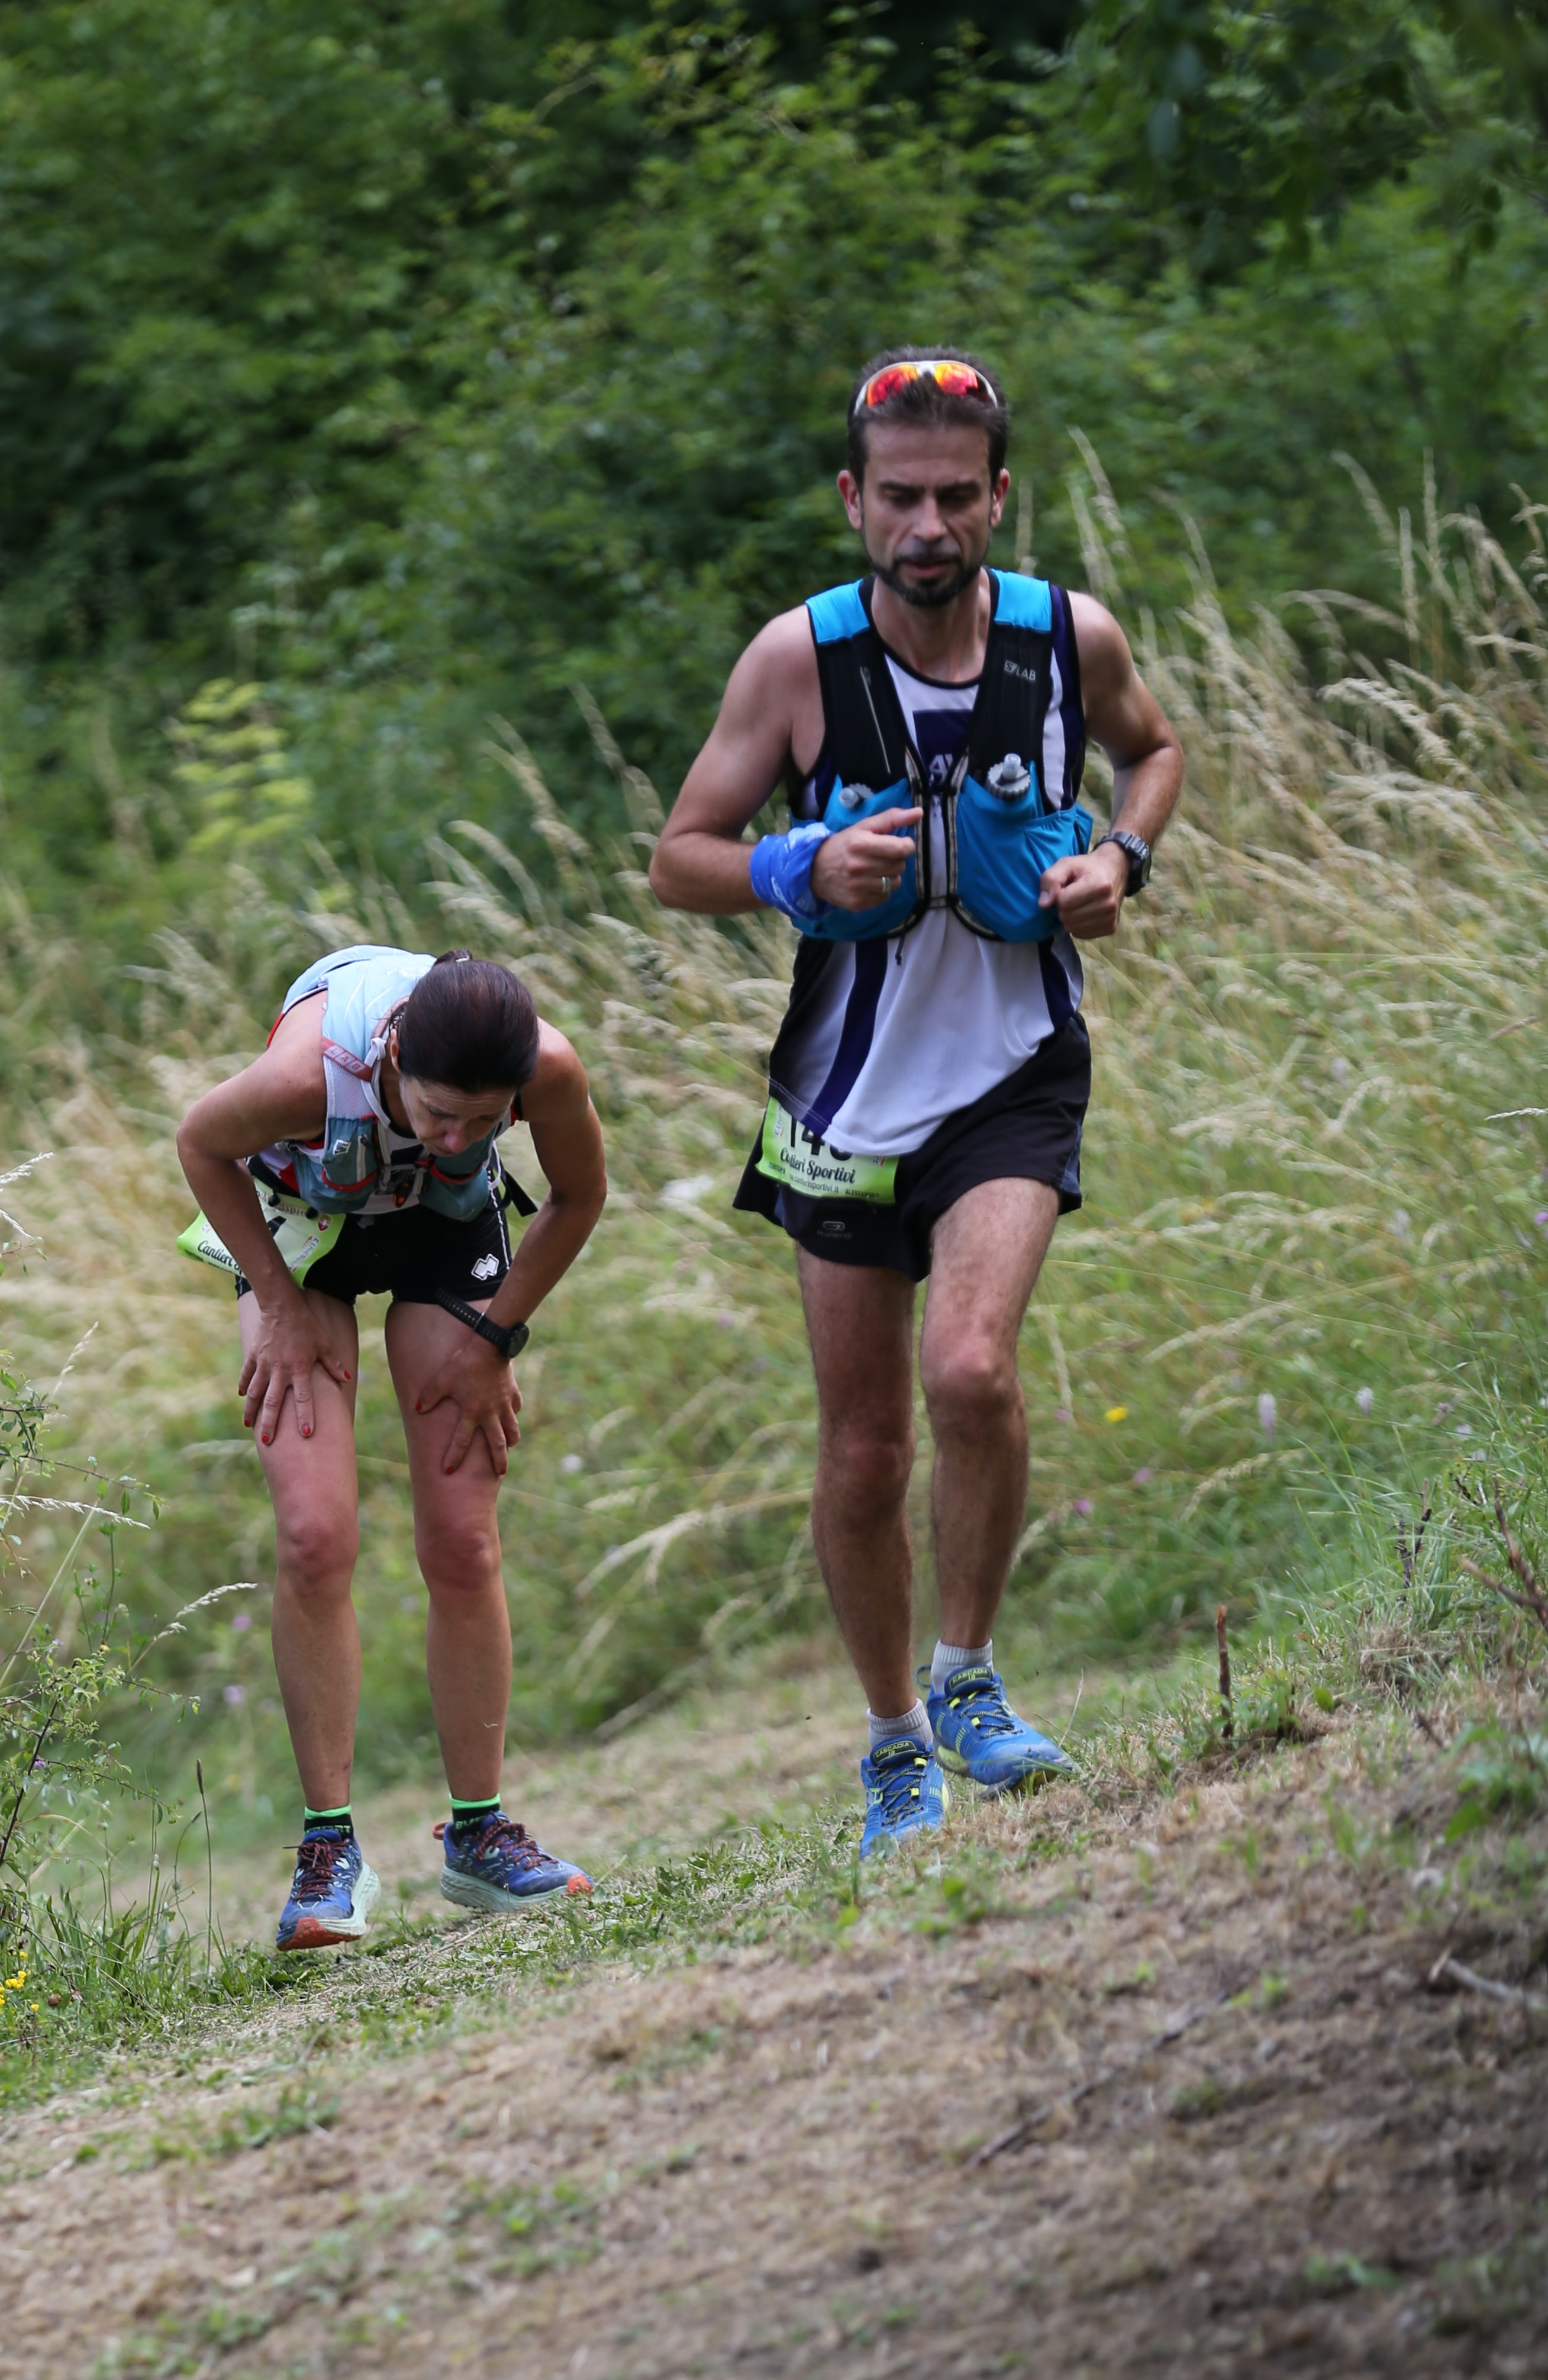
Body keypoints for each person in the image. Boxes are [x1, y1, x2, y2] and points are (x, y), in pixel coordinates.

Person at [649, 349, 1184, 1856]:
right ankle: (892, 1745)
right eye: (901, 498)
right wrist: (791, 869)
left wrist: (1122, 862)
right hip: (840, 1091)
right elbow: (678, 854)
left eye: (958, 495)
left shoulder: (1066, 638)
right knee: (867, 1446)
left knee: (972, 1372)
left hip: (1015, 1073)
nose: (929, 525)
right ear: (852, 503)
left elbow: (1156, 753)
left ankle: (969, 1682)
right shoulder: (794, 665)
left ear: (1000, 496)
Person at [175, 945, 608, 1946]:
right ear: (396, 1055)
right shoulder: (304, 1074)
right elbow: (200, 1144)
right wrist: (277, 1306)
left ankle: (481, 1838)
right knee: (315, 1535)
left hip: (440, 1233)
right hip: (307, 1222)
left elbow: (581, 1198)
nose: (458, 1135)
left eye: (482, 1120)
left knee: (462, 1538)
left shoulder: (547, 1068)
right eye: (436, 1111)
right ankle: (329, 1854)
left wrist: (498, 1337)